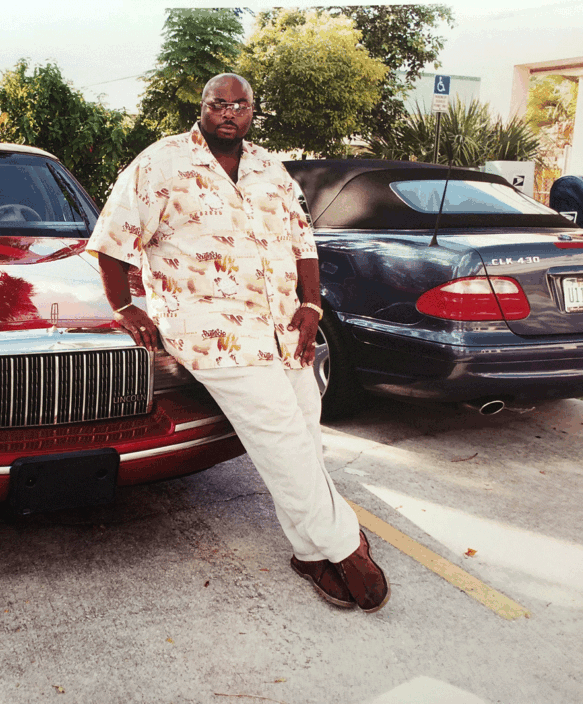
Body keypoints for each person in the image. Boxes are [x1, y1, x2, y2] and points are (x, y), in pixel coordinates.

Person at [85, 73, 389, 612]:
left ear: (252, 112)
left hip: (282, 324)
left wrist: (311, 305)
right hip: (213, 331)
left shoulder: (270, 167)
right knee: (280, 436)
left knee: (302, 430)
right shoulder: (161, 162)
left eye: (240, 105)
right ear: (202, 108)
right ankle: (346, 546)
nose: (229, 113)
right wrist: (125, 306)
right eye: (218, 103)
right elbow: (113, 238)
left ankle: (306, 550)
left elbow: (302, 238)